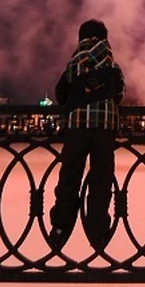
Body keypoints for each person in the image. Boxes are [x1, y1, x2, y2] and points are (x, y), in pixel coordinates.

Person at [48, 19, 125, 252]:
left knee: (70, 176)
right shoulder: (113, 66)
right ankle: (98, 232)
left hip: (77, 127)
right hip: (104, 128)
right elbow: (119, 93)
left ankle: (61, 228)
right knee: (101, 178)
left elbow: (60, 93)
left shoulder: (74, 63)